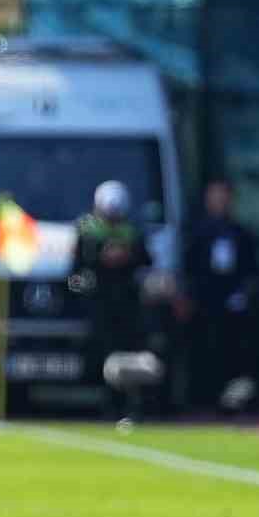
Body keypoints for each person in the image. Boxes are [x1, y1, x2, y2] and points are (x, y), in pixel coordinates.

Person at [71, 180, 155, 420]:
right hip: (99, 305)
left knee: (128, 355)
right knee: (102, 353)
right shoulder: (86, 231)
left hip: (127, 306)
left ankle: (130, 405)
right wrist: (100, 261)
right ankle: (105, 405)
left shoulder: (133, 232)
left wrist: (128, 257)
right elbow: (74, 275)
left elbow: (147, 262)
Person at [184, 178, 259, 413]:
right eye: (215, 197)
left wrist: (242, 293)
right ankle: (204, 399)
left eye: (224, 197)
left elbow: (251, 269)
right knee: (206, 350)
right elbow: (190, 267)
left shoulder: (240, 233)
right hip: (206, 301)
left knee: (235, 353)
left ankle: (232, 401)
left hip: (232, 303)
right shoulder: (198, 232)